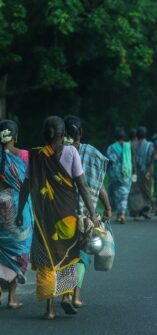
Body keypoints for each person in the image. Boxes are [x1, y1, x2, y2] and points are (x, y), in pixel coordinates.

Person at [16, 116, 99, 320]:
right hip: (67, 216)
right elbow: (82, 186)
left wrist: (19, 212)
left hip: (44, 219)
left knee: (47, 260)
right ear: (63, 134)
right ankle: (65, 297)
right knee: (67, 256)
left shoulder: (36, 156)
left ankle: (50, 309)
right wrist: (93, 213)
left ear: (44, 133)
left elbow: (26, 186)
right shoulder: (72, 152)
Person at [64, 115, 112, 308]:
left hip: (61, 214)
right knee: (82, 256)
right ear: (81, 133)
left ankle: (65, 295)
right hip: (86, 214)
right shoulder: (93, 154)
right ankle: (75, 295)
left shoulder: (55, 153)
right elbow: (99, 186)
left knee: (65, 255)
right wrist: (106, 208)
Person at [0, 120, 33, 309]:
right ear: (16, 136)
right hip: (15, 207)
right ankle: (12, 298)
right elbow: (28, 184)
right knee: (16, 251)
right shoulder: (25, 156)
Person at [107, 128, 134, 223]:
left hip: (115, 174)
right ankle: (121, 213)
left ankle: (119, 214)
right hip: (126, 173)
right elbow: (132, 159)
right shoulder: (128, 146)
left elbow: (109, 161)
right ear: (124, 137)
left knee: (117, 194)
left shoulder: (111, 147)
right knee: (124, 195)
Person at [128, 126, 156, 220]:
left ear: (137, 135)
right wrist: (148, 169)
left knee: (135, 192)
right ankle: (146, 210)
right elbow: (153, 157)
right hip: (146, 172)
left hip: (133, 172)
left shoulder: (130, 144)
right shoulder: (149, 145)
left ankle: (136, 213)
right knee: (146, 191)